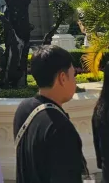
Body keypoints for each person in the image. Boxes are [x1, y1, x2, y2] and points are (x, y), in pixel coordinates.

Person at [13, 45, 86, 183]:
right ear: (62, 78)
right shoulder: (60, 128)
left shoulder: (24, 109)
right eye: (73, 75)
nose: (75, 81)